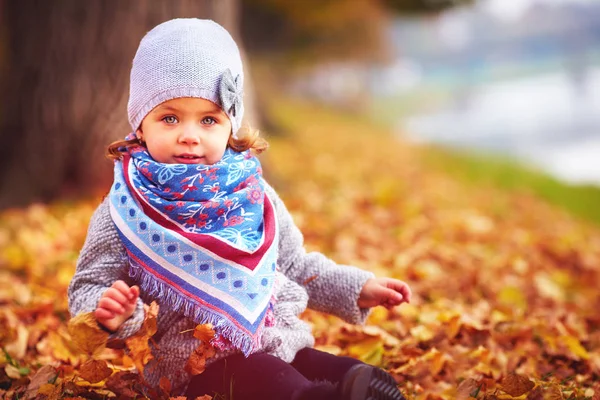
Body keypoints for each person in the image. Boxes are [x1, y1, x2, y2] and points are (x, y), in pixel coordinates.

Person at [68, 18, 412, 400]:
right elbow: (87, 286)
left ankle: (357, 389)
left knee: (344, 371)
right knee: (276, 383)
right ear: (140, 124)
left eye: (209, 120)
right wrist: (112, 314)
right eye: (169, 117)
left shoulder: (252, 193)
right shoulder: (125, 211)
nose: (189, 135)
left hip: (275, 340)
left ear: (229, 126)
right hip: (193, 369)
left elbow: (295, 266)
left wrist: (358, 288)